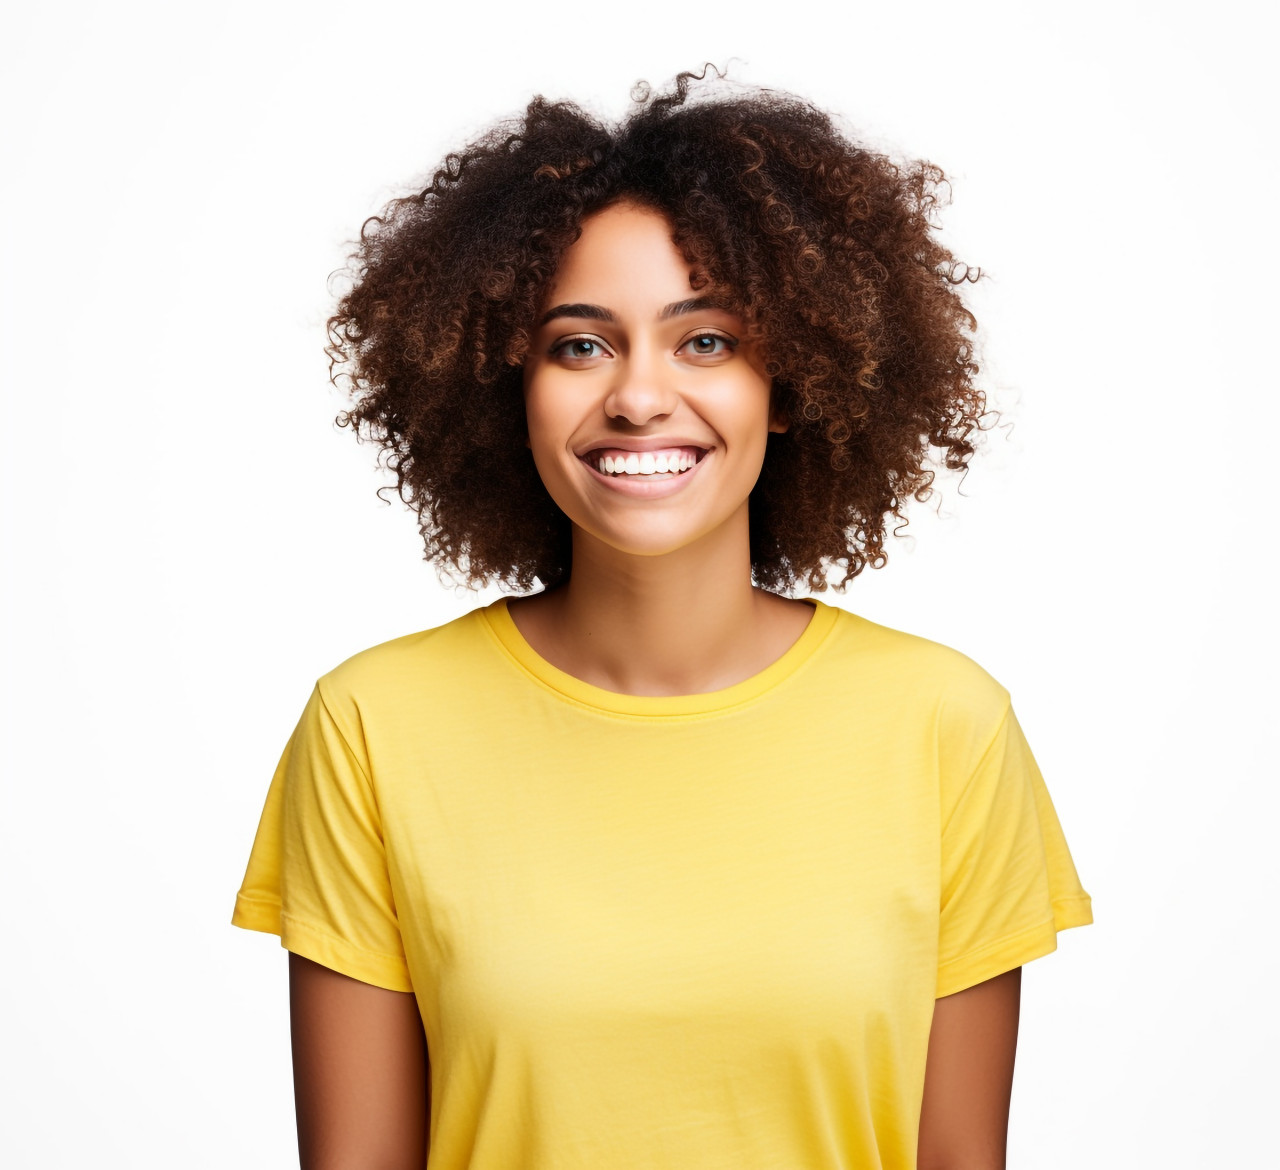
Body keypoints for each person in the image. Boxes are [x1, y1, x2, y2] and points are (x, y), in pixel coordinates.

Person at [232, 67, 1093, 1169]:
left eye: (705, 341)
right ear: (510, 383)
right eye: (579, 345)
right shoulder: (373, 727)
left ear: (790, 384)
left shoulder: (941, 726)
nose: (637, 396)